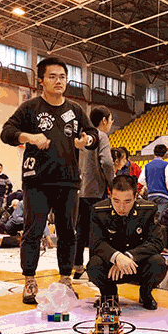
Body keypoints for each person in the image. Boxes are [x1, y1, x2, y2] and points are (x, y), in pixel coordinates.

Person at [0, 58, 96, 305]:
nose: (58, 81)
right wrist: (29, 137)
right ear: (41, 80)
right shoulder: (30, 108)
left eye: (62, 77)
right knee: (33, 231)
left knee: (68, 232)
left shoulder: (75, 110)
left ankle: (65, 279)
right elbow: (6, 132)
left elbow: (93, 134)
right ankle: (29, 279)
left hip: (68, 181)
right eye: (52, 76)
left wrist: (86, 140)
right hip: (37, 181)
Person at [87, 174, 168, 311]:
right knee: (94, 264)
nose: (121, 207)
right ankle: (109, 295)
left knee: (158, 262)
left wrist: (129, 256)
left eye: (127, 201)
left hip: (137, 265)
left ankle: (145, 293)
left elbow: (157, 242)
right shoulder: (99, 211)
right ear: (110, 195)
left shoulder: (148, 209)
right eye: (116, 201)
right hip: (111, 268)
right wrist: (117, 257)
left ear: (136, 197)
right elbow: (96, 243)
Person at [73, 107, 115, 279]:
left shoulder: (82, 137)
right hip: (96, 191)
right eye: (111, 120)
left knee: (81, 231)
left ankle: (77, 268)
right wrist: (112, 183)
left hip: (80, 190)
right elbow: (107, 163)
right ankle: (93, 270)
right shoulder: (101, 136)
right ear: (104, 120)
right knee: (96, 233)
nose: (111, 123)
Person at [140, 143, 168, 218]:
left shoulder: (147, 165)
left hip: (151, 194)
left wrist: (149, 184)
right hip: (163, 195)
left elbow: (141, 180)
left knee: (151, 218)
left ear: (154, 153)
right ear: (164, 154)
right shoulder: (166, 164)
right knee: (161, 219)